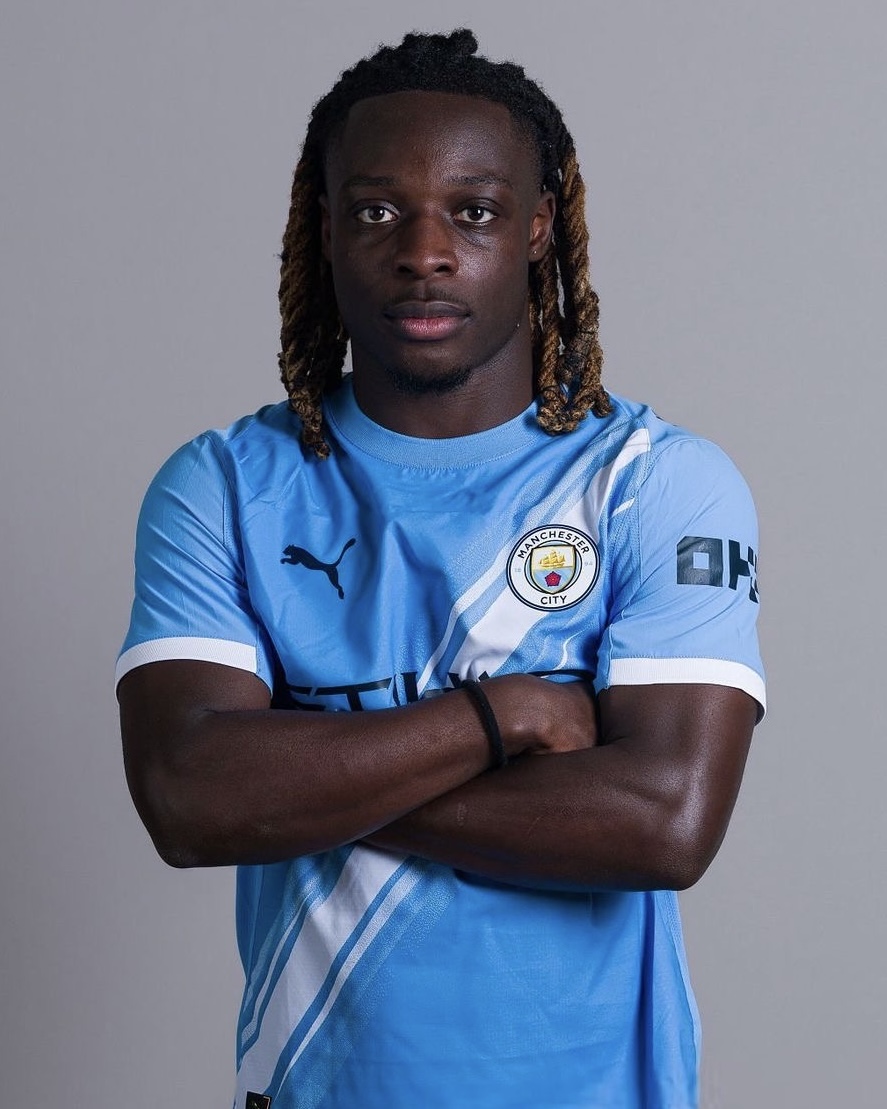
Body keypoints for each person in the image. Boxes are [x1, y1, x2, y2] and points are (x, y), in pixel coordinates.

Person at [117, 29, 764, 1109]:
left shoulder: (654, 482)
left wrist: (306, 776)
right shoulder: (223, 484)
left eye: (473, 210)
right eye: (378, 211)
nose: (424, 251)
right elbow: (188, 798)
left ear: (537, 226)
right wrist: (499, 719)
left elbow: (663, 821)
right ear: (326, 230)